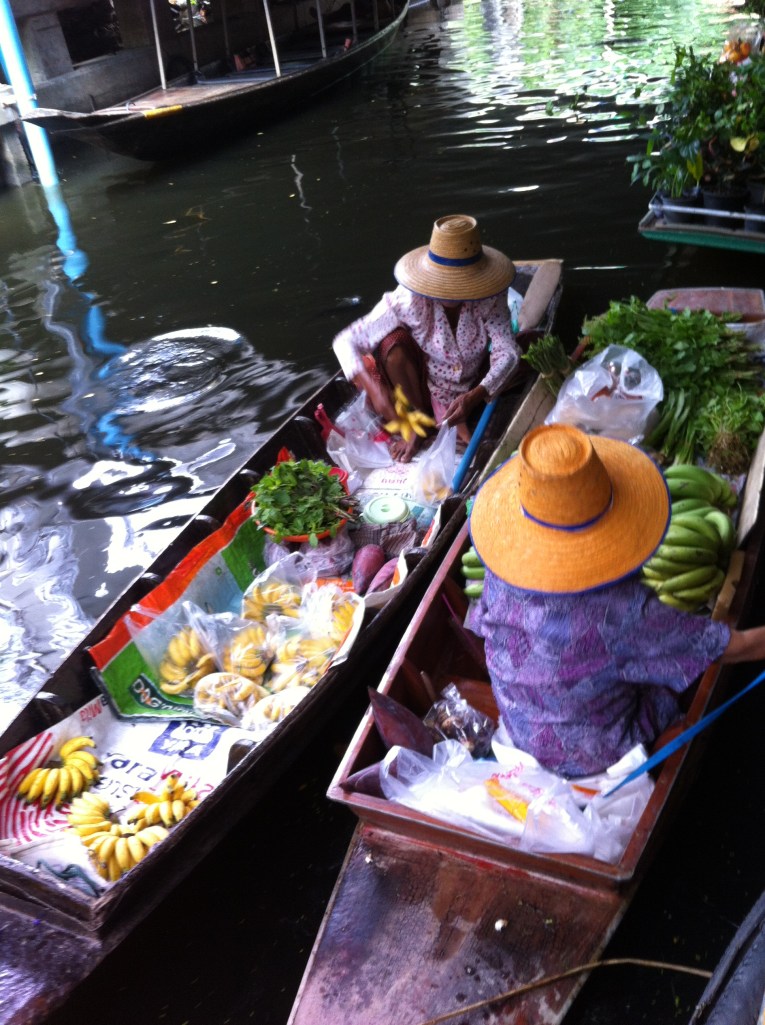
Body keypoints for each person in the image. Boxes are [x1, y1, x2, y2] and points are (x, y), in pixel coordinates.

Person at [468, 422, 765, 778]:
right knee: (671, 681)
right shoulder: (623, 613)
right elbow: (735, 647)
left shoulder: (503, 572)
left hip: (521, 725)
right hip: (595, 751)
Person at [332, 214, 520, 462]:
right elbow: (345, 342)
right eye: (445, 282)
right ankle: (417, 429)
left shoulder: (490, 298)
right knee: (392, 344)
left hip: (473, 381)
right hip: (422, 387)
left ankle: (454, 418)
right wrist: (375, 390)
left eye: (459, 283)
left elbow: (507, 350)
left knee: (518, 361)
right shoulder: (409, 298)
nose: (450, 290)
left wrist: (475, 396)